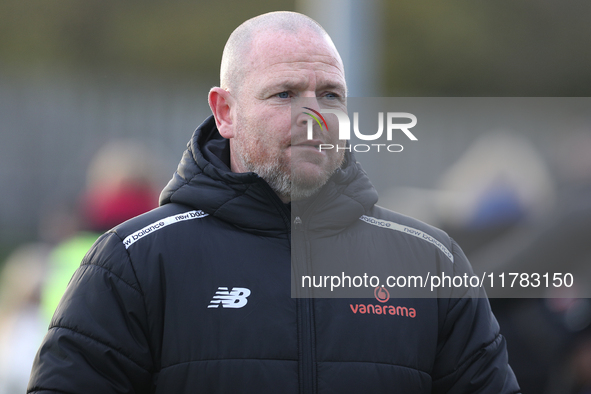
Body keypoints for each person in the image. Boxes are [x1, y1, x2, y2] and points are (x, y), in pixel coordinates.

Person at [28, 11, 520, 393]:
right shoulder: (134, 261)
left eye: (330, 95)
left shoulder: (431, 262)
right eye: (284, 94)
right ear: (225, 112)